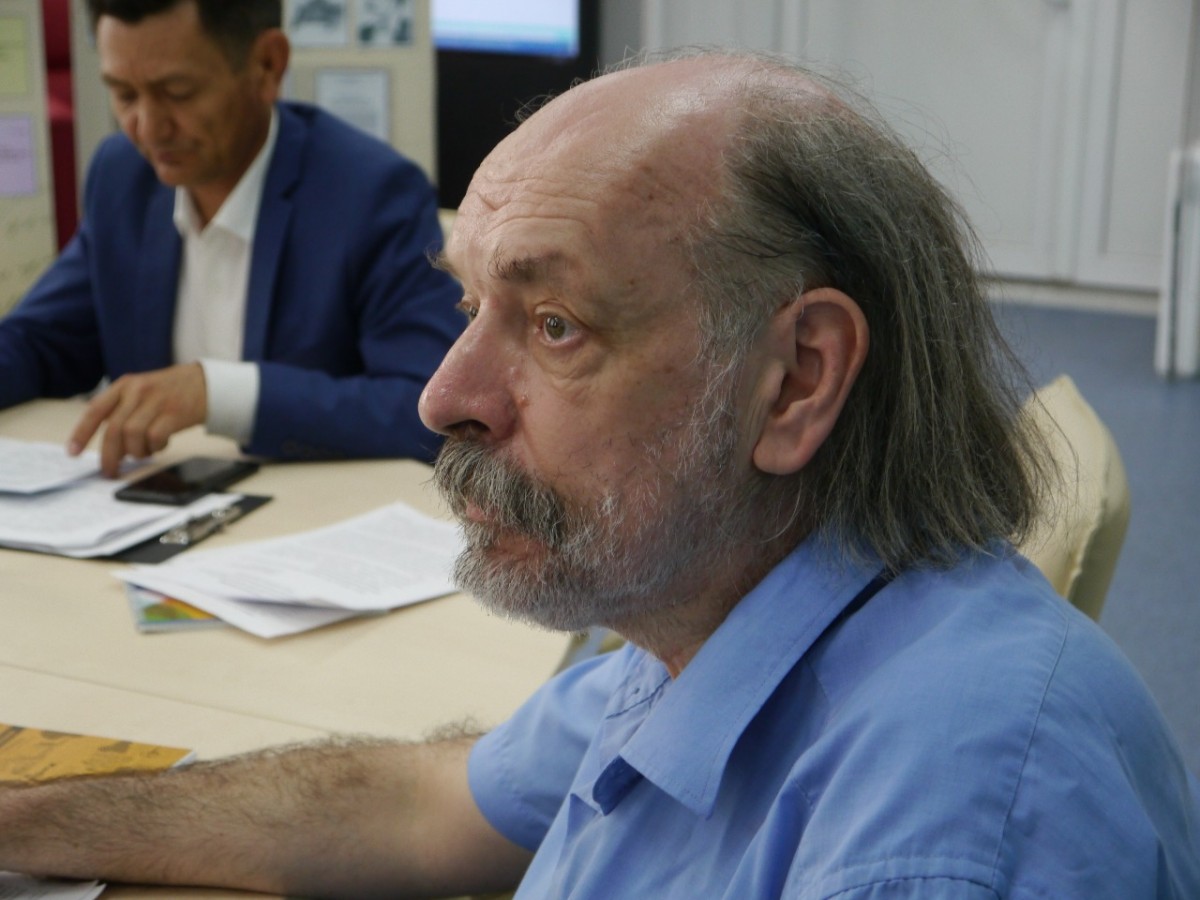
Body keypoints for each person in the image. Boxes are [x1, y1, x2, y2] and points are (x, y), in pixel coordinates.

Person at [2, 50, 1199, 898]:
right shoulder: (715, 599)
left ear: (795, 380)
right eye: (469, 305)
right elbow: (417, 806)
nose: (442, 399)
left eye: (557, 324)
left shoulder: (939, 838)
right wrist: (30, 822)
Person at [0, 0, 461, 475]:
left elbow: (434, 408)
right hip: (149, 499)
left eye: (178, 92)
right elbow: (38, 343)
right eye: (123, 94)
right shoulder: (123, 176)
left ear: (267, 65)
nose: (147, 127)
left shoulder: (369, 193)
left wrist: (217, 393)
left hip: (309, 510)